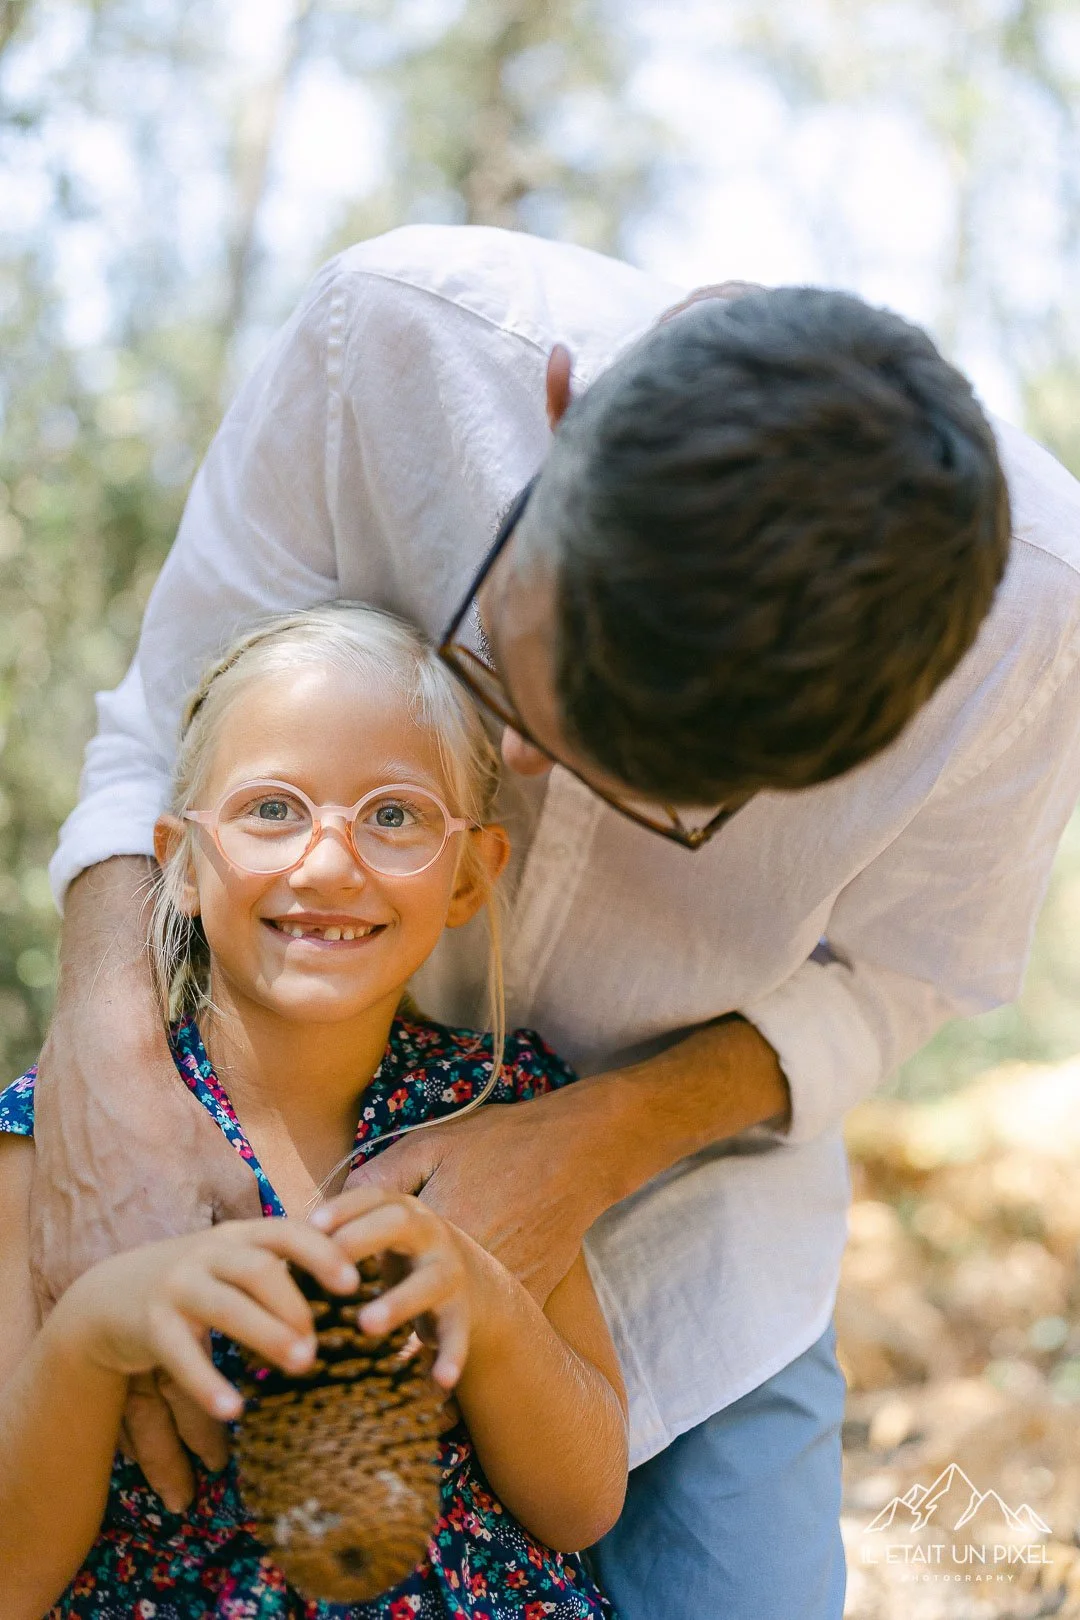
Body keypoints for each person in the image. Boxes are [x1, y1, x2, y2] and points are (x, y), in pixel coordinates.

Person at [33, 225, 1080, 1620]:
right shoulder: (389, 342)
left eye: (654, 798)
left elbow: (902, 974)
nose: (521, 774)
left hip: (701, 1214)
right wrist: (105, 1075)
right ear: (563, 408)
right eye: (501, 678)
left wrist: (594, 1143)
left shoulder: (1035, 636)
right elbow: (154, 742)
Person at [0, 603, 628, 1617]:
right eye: (271, 810)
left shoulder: (491, 1118)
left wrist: (489, 1303)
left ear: (470, 875)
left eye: (393, 815)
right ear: (183, 864)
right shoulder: (54, 1143)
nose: (329, 865)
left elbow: (583, 1503)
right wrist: (89, 1337)